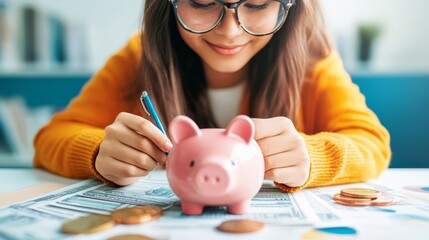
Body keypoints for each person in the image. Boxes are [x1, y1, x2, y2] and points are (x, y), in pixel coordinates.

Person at [34, 0, 391, 192]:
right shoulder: (137, 57)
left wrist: (312, 157)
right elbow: (50, 138)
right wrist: (97, 154)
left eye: (258, 4)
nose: (230, 31)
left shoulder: (314, 62)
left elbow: (373, 143)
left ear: (289, 6)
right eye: (203, 2)